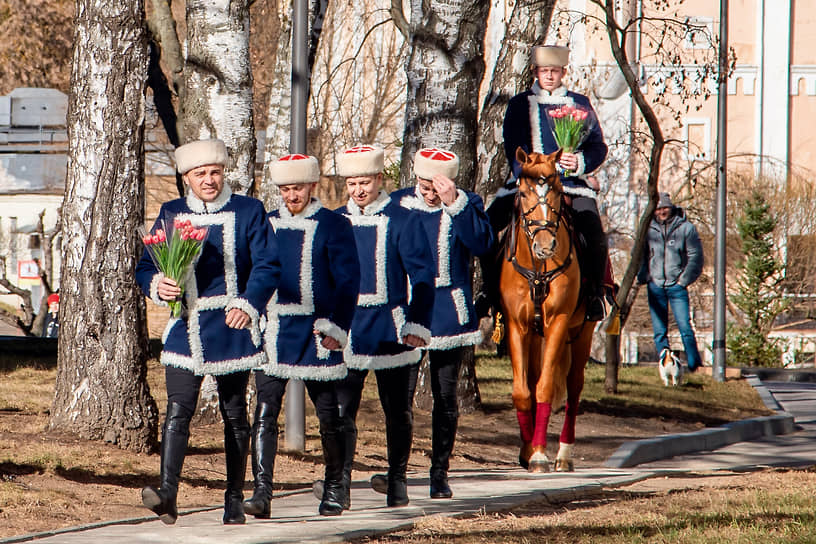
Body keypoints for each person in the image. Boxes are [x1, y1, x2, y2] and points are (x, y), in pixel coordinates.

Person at [135, 139, 280, 525]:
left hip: (233, 325)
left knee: (235, 415)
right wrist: (158, 284)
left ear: (224, 173)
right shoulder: (171, 212)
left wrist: (248, 303)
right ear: (187, 178)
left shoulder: (249, 210)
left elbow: (268, 264)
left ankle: (233, 496)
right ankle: (167, 492)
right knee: (177, 411)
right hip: (185, 325)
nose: (209, 180)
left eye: (215, 172)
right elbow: (145, 266)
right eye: (200, 174)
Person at [242, 154, 360, 518]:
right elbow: (253, 272)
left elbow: (348, 280)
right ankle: (262, 491)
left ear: (312, 186)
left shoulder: (333, 224)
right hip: (274, 328)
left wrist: (337, 327)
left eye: (298, 188)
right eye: (286, 189)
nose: (292, 195)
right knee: (264, 411)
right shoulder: (267, 223)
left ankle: (336, 487)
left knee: (329, 415)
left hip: (318, 330)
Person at [333, 144, 435, 508]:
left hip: (392, 329)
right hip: (346, 331)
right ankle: (339, 484)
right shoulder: (334, 221)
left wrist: (417, 323)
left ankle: (397, 480)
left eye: (365, 182)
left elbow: (423, 277)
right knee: (342, 411)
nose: (358, 189)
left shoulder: (402, 219)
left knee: (398, 411)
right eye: (352, 183)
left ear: (379, 180)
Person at [479, 44, 609, 321]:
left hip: (571, 184)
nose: (549, 75)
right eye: (544, 71)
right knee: (486, 227)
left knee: (594, 232)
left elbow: (598, 145)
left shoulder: (580, 104)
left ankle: (595, 294)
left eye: (554, 71)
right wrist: (529, 172)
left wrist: (581, 162)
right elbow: (512, 145)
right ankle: (487, 291)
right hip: (527, 184)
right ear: (535, 72)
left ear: (563, 72)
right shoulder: (518, 104)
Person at [391, 148, 493, 498]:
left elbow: (482, 243)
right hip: (408, 310)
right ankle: (397, 475)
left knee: (445, 396)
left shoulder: (467, 203)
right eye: (424, 185)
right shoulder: (398, 203)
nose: (429, 193)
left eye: (437, 187)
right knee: (399, 397)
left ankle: (439, 473)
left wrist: (455, 204)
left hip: (449, 310)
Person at [637, 192, 704, 372]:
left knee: (685, 327)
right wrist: (644, 276)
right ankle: (665, 366)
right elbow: (639, 256)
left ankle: (694, 365)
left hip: (677, 287)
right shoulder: (647, 229)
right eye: (658, 209)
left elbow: (696, 256)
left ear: (671, 208)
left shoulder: (686, 228)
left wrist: (683, 280)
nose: (661, 212)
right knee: (659, 331)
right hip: (655, 285)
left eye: (665, 208)